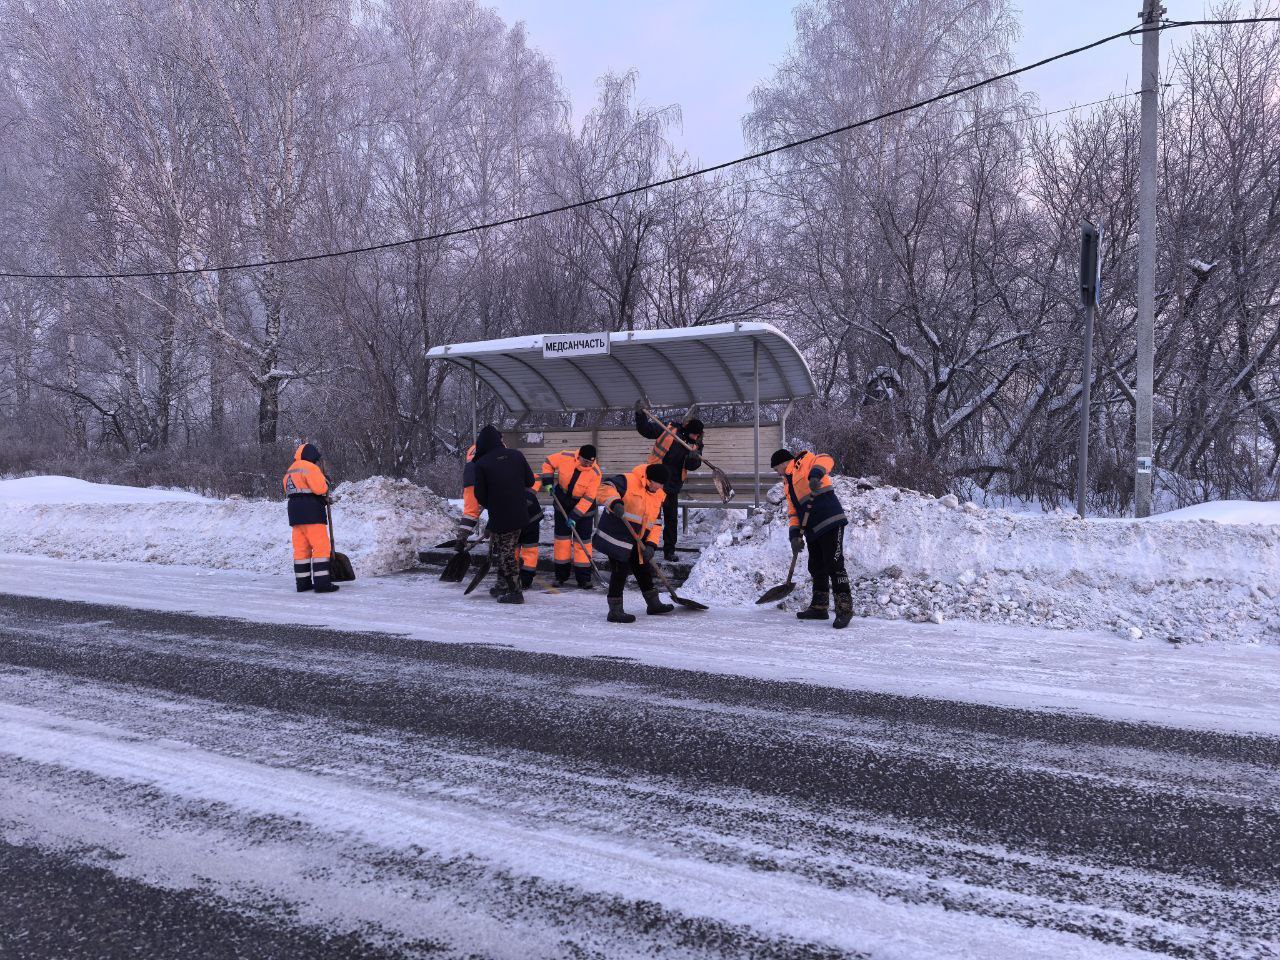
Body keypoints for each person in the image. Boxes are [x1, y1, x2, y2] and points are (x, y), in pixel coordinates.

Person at [770, 448, 852, 629]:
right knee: (816, 566)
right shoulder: (788, 483)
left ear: (783, 463)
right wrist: (794, 536)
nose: (777, 473)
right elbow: (793, 512)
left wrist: (815, 475)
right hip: (812, 529)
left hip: (830, 520)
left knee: (834, 564)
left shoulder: (804, 461)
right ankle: (819, 607)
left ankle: (844, 609)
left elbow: (827, 459)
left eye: (776, 469)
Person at [592, 463, 674, 623]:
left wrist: (651, 545)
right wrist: (615, 502)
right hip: (617, 535)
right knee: (620, 570)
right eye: (659, 483)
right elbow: (604, 487)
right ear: (650, 479)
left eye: (663, 484)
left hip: (638, 538)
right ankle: (615, 611)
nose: (660, 487)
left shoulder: (659, 494)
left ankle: (653, 604)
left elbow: (656, 523)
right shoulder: (628, 480)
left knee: (643, 568)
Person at [472, 424, 536, 604]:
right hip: (520, 513)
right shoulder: (517, 455)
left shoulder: (481, 463)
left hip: (500, 516)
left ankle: (516, 592)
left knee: (506, 553)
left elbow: (480, 495)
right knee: (505, 549)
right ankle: (502, 585)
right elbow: (530, 481)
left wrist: (494, 503)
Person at [634, 401, 704, 562]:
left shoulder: (696, 444)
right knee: (649, 516)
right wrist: (640, 415)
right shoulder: (668, 430)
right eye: (694, 434)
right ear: (687, 430)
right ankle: (643, 547)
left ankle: (669, 551)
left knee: (671, 519)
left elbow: (692, 466)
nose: (695, 437)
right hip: (654, 482)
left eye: (698, 435)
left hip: (673, 485)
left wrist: (694, 458)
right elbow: (645, 430)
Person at [537, 444, 603, 589]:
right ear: (579, 457)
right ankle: (561, 576)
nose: (588, 465)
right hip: (562, 501)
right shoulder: (565, 456)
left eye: (591, 462)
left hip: (583, 509)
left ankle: (584, 578)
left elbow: (588, 498)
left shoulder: (595, 473)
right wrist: (548, 482)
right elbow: (548, 463)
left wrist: (574, 516)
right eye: (586, 461)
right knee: (562, 542)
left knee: (583, 543)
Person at [283, 442, 338, 594]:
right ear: (312, 456)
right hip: (311, 512)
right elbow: (320, 488)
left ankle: (303, 583)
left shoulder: (290, 470)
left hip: (294, 512)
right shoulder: (310, 467)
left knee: (301, 549)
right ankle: (322, 584)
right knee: (321, 547)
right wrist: (326, 480)